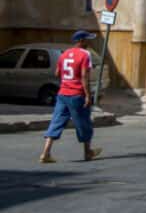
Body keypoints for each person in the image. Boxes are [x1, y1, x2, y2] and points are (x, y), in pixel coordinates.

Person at [39, 30, 102, 163]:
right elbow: (84, 76)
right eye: (87, 39)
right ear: (81, 41)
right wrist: (87, 95)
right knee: (84, 123)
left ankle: (45, 153)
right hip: (77, 94)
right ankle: (88, 152)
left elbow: (57, 73)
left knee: (56, 122)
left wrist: (67, 80)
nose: (89, 42)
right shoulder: (85, 54)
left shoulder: (64, 53)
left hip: (63, 94)